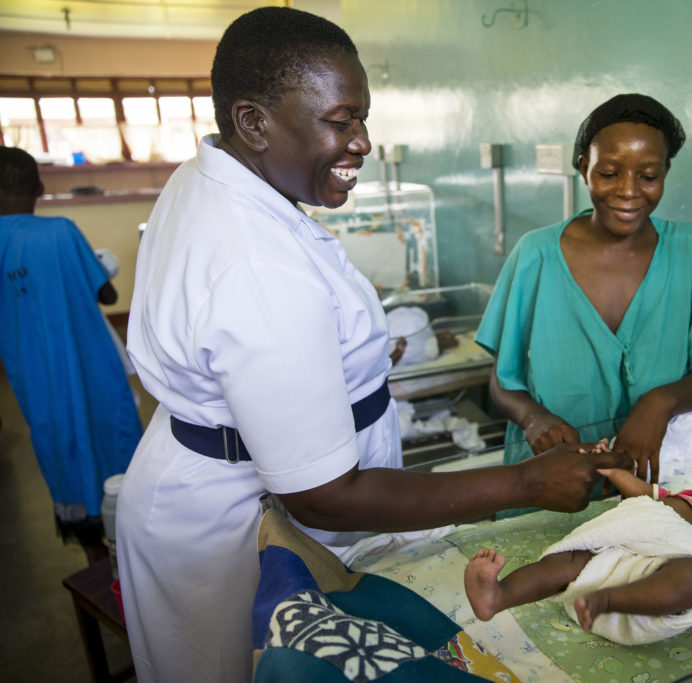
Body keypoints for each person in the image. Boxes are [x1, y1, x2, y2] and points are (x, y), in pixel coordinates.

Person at [117, 7, 632, 682]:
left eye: (362, 117)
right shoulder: (256, 262)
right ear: (253, 122)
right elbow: (323, 495)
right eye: (341, 120)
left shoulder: (224, 177)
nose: (362, 141)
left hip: (216, 478)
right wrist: (525, 480)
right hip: (232, 524)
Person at [476, 93, 692, 494]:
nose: (629, 192)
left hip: (651, 482)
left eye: (648, 176)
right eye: (609, 173)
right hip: (551, 480)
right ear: (584, 168)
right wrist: (533, 419)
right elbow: (503, 379)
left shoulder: (689, 250)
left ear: (665, 171)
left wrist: (659, 403)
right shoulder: (537, 254)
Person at [464, 450, 692, 645]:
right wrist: (616, 475)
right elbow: (654, 495)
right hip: (646, 525)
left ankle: (608, 600)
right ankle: (499, 595)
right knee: (573, 556)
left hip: (686, 551)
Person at [0, 146, 142, 564]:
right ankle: (133, 546)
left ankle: (95, 560)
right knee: (113, 436)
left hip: (35, 379)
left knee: (59, 443)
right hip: (91, 367)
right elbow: (107, 293)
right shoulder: (61, 232)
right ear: (40, 187)